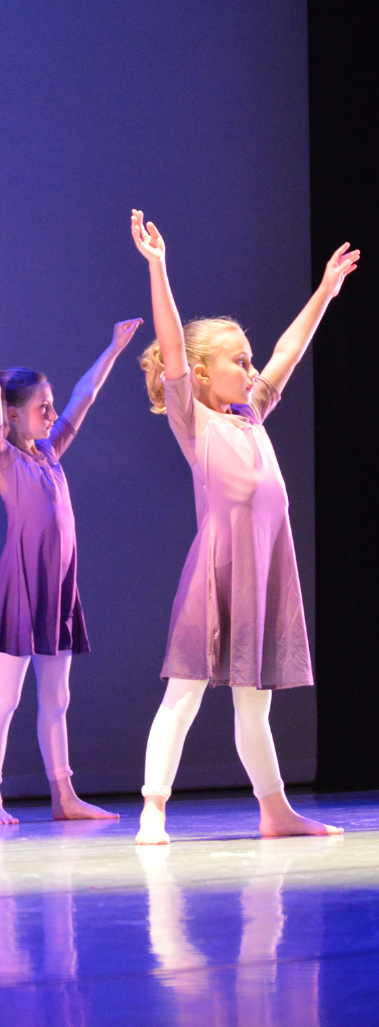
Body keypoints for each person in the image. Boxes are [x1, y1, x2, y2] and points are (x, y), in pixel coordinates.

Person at [129, 209, 355, 844]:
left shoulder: (250, 413)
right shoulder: (194, 420)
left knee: (256, 701)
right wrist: (159, 268)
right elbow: (173, 345)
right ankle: (153, 808)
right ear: (201, 375)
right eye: (238, 361)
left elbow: (287, 351)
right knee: (186, 695)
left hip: (264, 568)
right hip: (218, 571)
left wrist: (324, 294)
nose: (252, 370)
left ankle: (275, 810)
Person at [0, 288, 141, 824]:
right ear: (12, 416)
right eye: (42, 406)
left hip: (59, 588)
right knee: (7, 698)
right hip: (22, 586)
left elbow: (84, 397)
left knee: (56, 698)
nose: (52, 413)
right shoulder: (4, 457)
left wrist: (111, 350)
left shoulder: (50, 453)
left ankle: (64, 797)